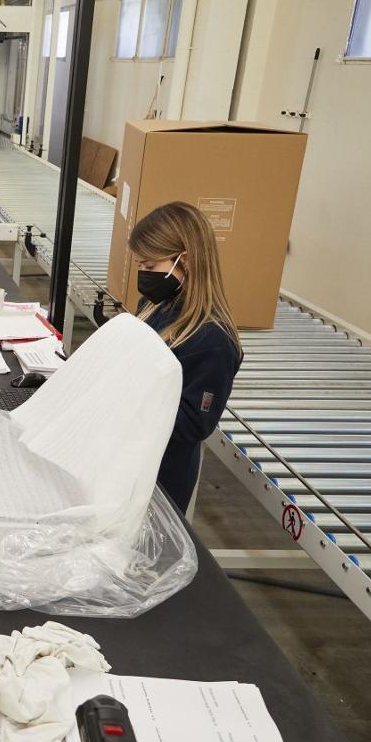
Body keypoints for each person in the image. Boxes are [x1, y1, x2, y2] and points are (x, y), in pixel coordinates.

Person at [129, 201, 242, 515]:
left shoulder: (212, 341)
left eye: (150, 266)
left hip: (160, 477)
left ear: (186, 261)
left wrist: (127, 404)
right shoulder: (156, 306)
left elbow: (193, 423)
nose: (143, 274)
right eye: (140, 265)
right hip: (129, 457)